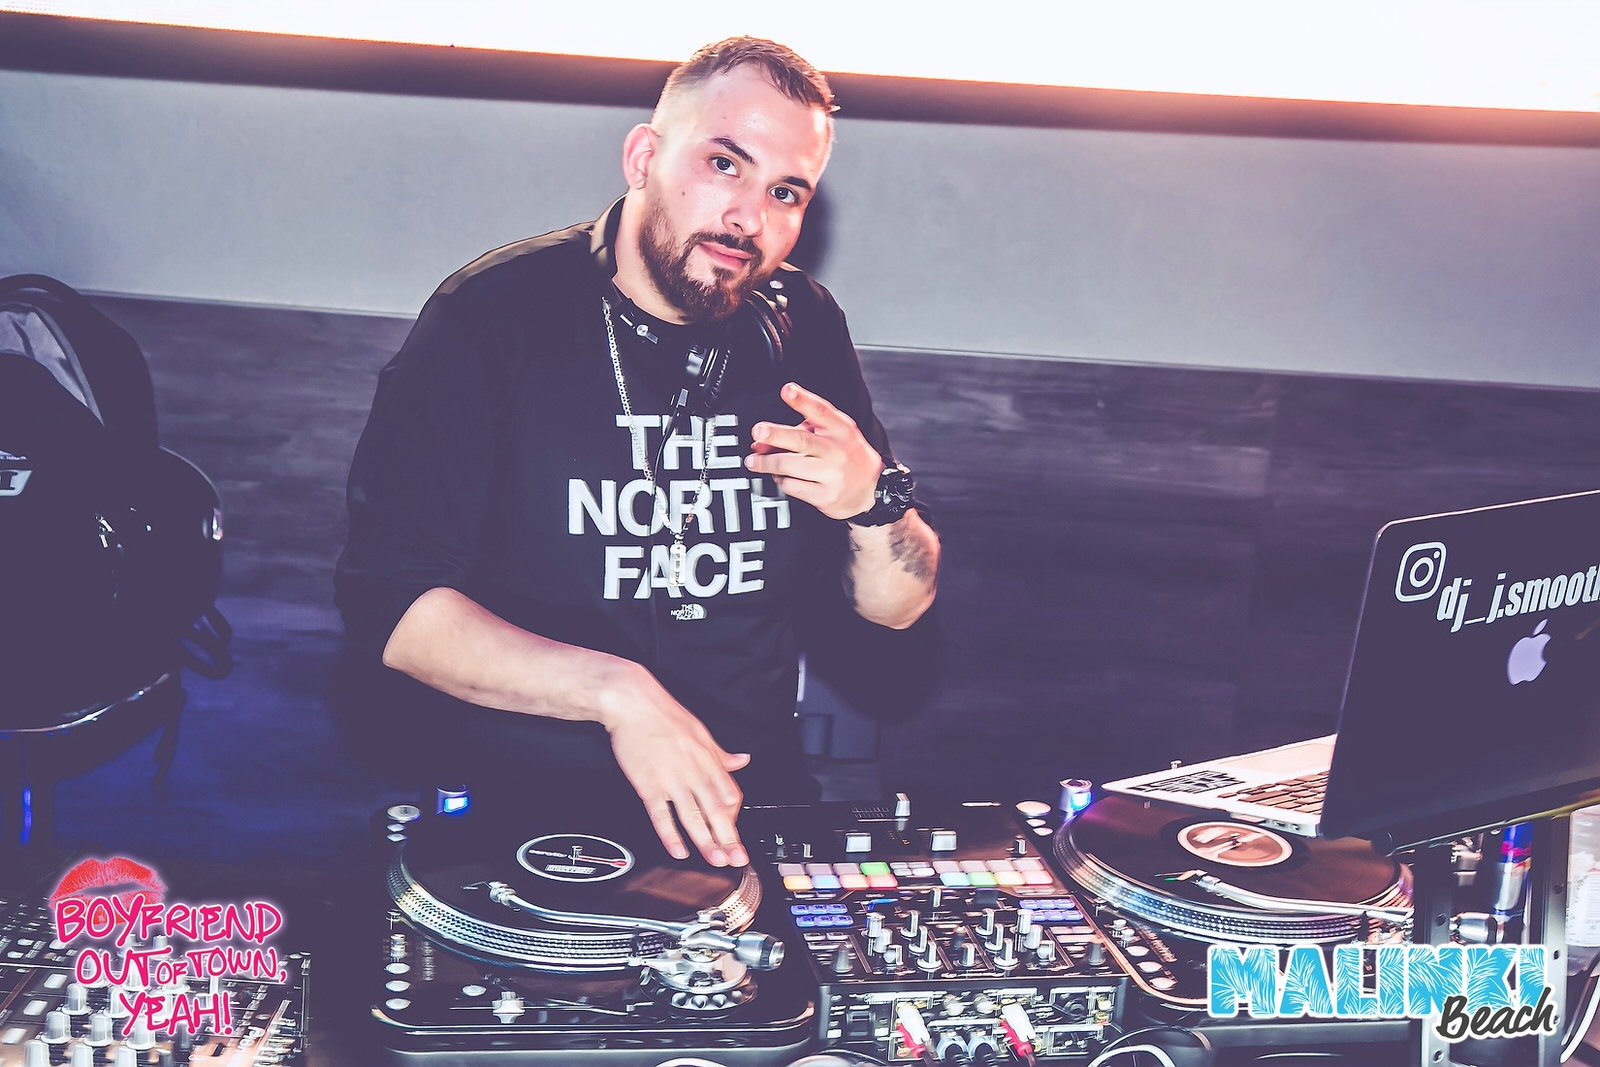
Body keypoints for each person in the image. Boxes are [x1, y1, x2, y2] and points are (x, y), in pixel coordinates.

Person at [334, 37, 939, 870]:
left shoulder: (803, 325)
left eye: (785, 191)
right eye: (725, 164)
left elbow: (897, 608)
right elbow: (393, 608)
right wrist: (618, 693)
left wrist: (874, 503)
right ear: (644, 158)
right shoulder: (492, 316)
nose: (749, 218)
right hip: (521, 816)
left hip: (745, 808)